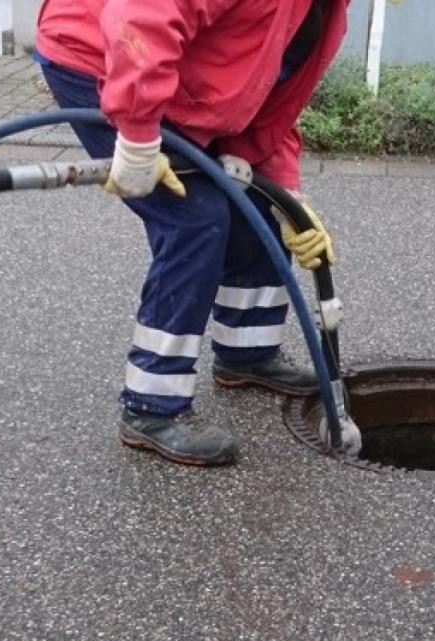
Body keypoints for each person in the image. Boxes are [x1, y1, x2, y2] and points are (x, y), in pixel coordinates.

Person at [36, 0, 348, 466]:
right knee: (195, 218)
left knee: (255, 206)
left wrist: (288, 198)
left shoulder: (329, 9)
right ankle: (150, 406)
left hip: (171, 69)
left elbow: (265, 94)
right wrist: (139, 137)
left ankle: (247, 354)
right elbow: (142, 17)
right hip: (101, 54)